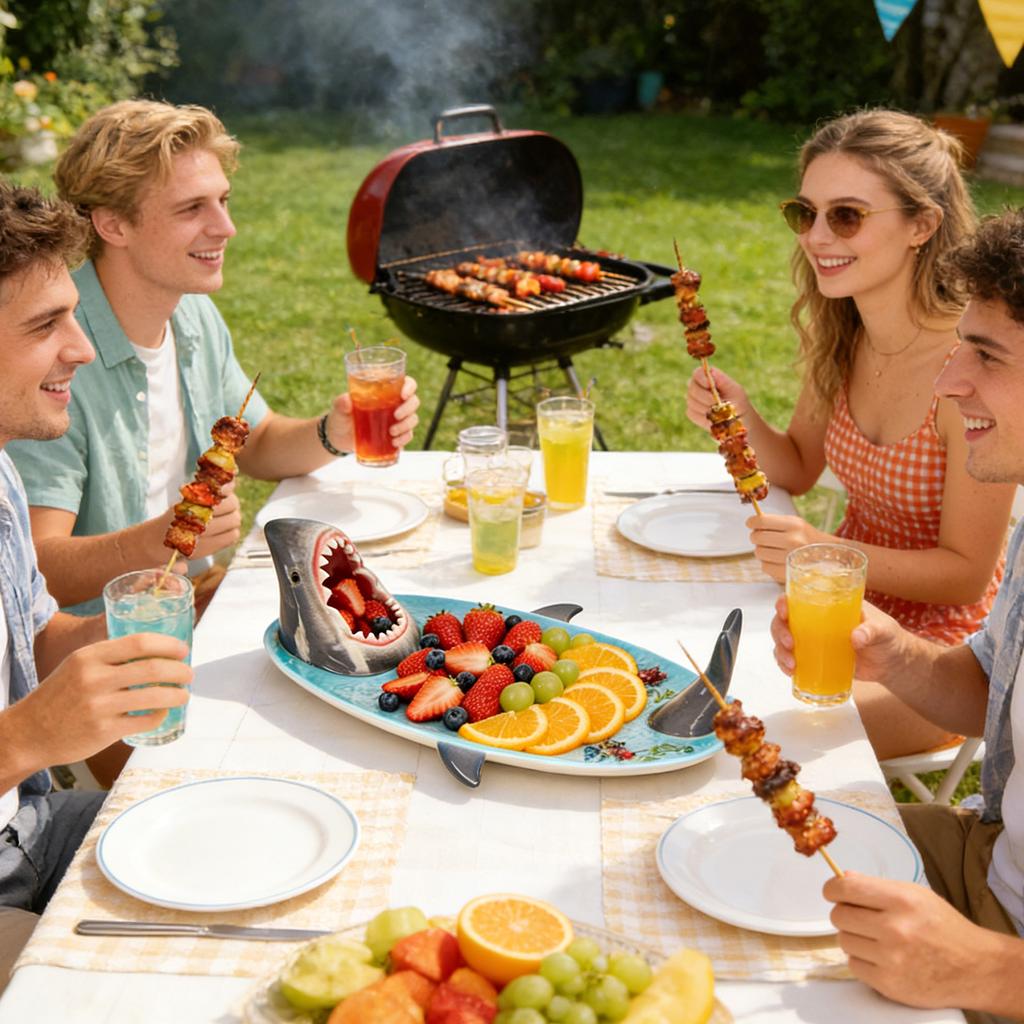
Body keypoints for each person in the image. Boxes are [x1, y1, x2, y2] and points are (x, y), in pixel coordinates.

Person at [7, 99, 420, 624]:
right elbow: (33, 568)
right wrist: (155, 542)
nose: (226, 227)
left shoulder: (192, 312)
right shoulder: (52, 354)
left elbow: (257, 441)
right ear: (113, 225)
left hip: (200, 596)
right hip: (104, 639)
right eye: (191, 208)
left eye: (223, 200)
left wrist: (333, 432)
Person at [687, 109, 1015, 760]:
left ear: (922, 224)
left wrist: (824, 551)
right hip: (831, 608)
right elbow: (799, 467)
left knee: (742, 740)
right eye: (804, 213)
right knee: (691, 678)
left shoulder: (964, 369)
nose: (816, 235)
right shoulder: (846, 335)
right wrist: (742, 414)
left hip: (936, 653)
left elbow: (967, 577)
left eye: (846, 215)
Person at [771, 208, 1024, 1024]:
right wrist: (894, 654)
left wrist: (985, 973)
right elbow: (987, 684)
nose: (951, 383)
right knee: (709, 837)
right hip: (985, 861)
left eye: (985, 357)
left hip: (1004, 956)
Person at [0, 182, 193, 991]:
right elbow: (28, 733)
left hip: (31, 823)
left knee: (229, 825)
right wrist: (26, 739)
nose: (81, 347)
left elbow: (37, 636)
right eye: (46, 326)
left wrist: (113, 632)